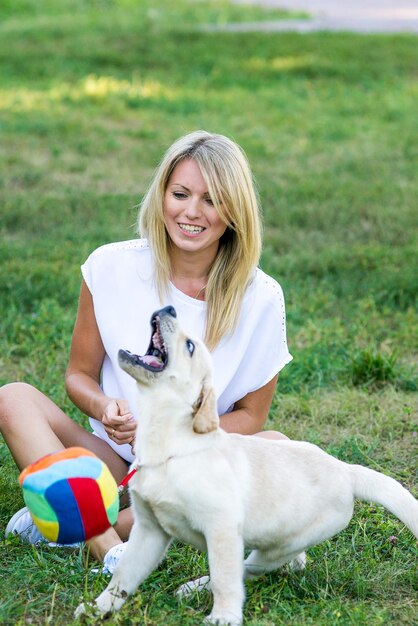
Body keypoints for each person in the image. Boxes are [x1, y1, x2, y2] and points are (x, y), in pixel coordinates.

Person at [0, 130, 292, 573]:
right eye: (180, 194)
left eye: (212, 200)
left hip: (196, 468)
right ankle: (109, 547)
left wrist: (179, 441)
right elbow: (78, 374)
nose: (192, 212)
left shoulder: (262, 298)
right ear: (162, 196)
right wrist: (104, 405)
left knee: (279, 449)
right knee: (13, 397)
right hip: (117, 463)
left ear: (235, 211)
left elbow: (252, 417)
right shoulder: (110, 267)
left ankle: (75, 521)